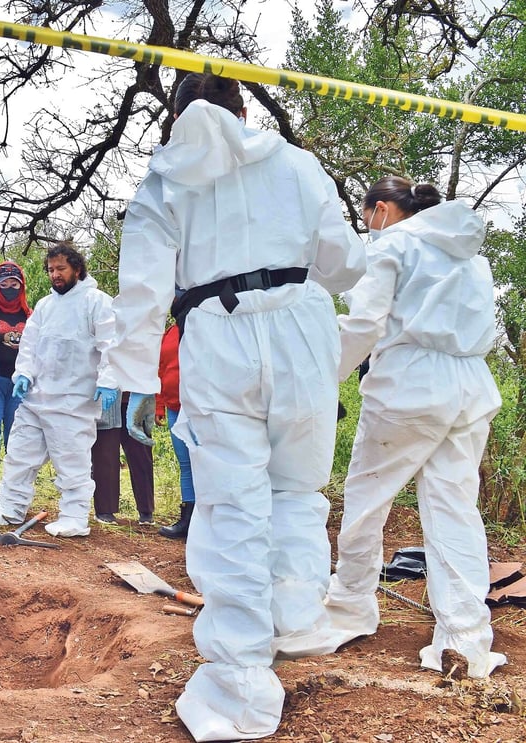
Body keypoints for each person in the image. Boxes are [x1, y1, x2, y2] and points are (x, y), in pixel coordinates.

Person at [97, 74, 365, 741]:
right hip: (303, 329)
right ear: (243, 111)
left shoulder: (168, 177)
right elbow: (346, 262)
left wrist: (127, 377)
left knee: (233, 503)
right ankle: (297, 617)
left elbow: (142, 288)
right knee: (298, 489)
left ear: (179, 114)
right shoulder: (299, 164)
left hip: (218, 334)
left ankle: (239, 681)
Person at [324, 177, 505, 678]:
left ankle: (349, 607)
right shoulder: (474, 259)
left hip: (410, 383)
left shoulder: (393, 244)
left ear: (381, 209)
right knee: (454, 508)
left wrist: (323, 378)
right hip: (470, 382)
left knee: (366, 497)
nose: (368, 227)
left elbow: (364, 325)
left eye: (366, 218)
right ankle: (466, 638)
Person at [0, 242, 115, 537]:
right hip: (36, 397)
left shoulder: (97, 301)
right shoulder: (45, 305)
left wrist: (108, 380)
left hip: (74, 400)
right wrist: (24, 373)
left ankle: (75, 516)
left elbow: (111, 345)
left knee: (71, 459)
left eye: (61, 269)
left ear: (77, 268)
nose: (55, 275)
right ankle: (10, 507)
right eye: (51, 270)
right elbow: (29, 345)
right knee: (19, 453)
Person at [0, 261, 32, 506]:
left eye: (14, 284)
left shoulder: (29, 314)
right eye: (4, 284)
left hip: (19, 384)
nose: (9, 288)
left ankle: (13, 489)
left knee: (16, 439)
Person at [154, 322, 196, 539]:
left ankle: (207, 520)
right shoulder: (171, 330)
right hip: (174, 406)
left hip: (198, 407)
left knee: (205, 463)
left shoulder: (203, 324)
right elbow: (162, 368)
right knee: (186, 464)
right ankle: (187, 519)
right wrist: (159, 404)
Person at [91, 391, 155, 525]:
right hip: (107, 396)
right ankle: (105, 509)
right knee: (105, 452)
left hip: (136, 394)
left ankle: (146, 510)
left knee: (141, 454)